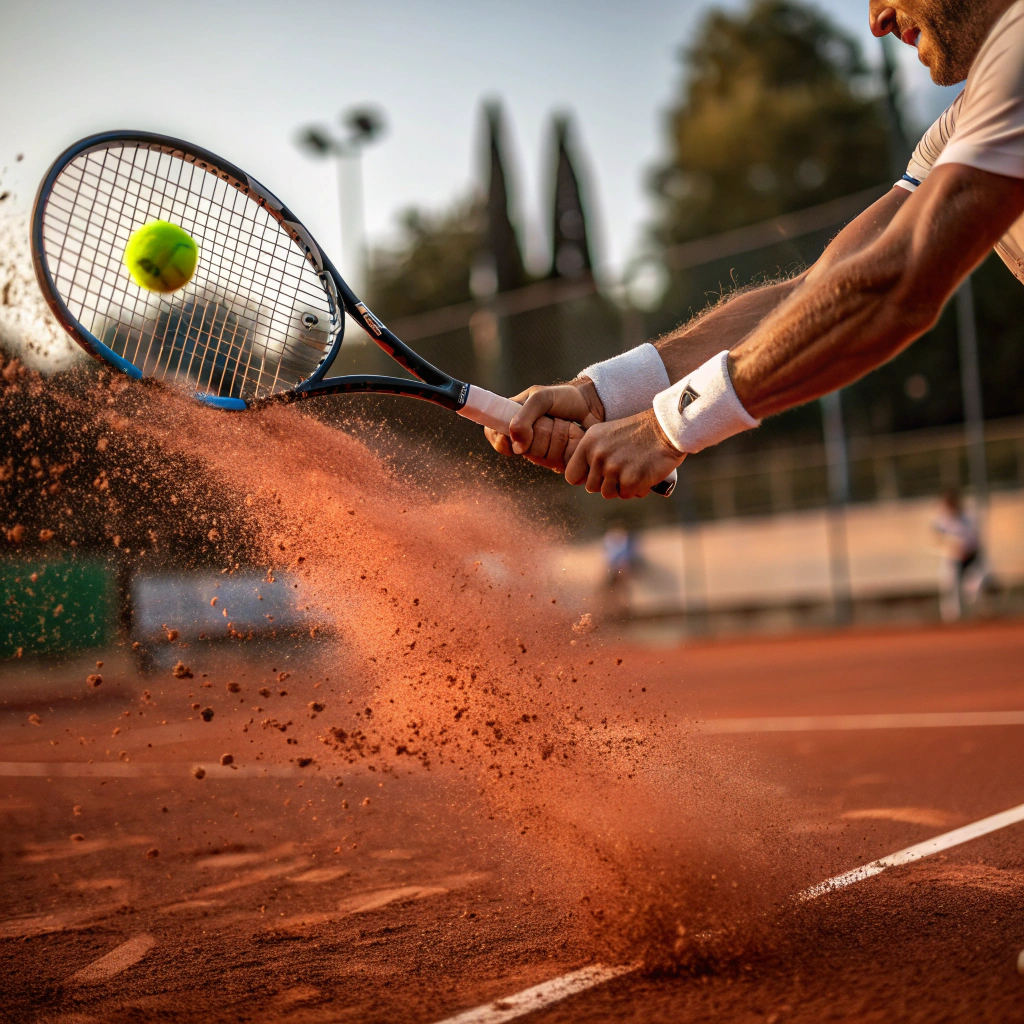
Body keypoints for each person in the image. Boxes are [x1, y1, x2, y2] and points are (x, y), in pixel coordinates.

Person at [486, 0, 1024, 499]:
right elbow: (820, 289)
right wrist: (602, 394)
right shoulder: (961, 122)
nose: (877, 19)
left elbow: (891, 286)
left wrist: (667, 426)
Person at [932, 489, 985, 621]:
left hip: (971, 557)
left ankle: (975, 616)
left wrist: (967, 551)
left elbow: (976, 539)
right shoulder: (941, 520)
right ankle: (952, 619)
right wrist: (952, 548)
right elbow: (936, 539)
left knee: (974, 587)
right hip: (952, 558)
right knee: (949, 586)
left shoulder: (968, 517)